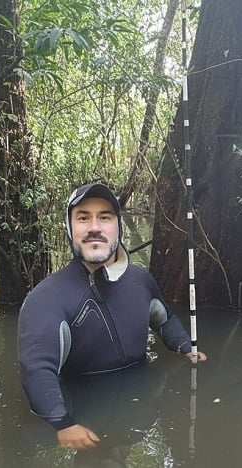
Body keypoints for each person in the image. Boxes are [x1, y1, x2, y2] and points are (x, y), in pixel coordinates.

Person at [18, 182, 206, 451]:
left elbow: (164, 320)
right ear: (70, 229)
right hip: (81, 415)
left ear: (118, 226)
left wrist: (186, 348)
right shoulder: (45, 299)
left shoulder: (141, 281)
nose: (94, 227)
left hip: (135, 407)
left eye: (105, 217)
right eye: (83, 218)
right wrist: (63, 423)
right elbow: (36, 371)